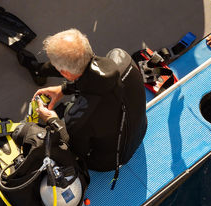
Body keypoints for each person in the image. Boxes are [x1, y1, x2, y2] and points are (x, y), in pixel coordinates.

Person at [31, 29, 147, 174]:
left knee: (64, 130)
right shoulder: (121, 57)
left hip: (111, 161)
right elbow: (97, 80)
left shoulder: (78, 119)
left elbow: (75, 149)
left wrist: (52, 120)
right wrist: (64, 88)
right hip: (140, 129)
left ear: (65, 73)